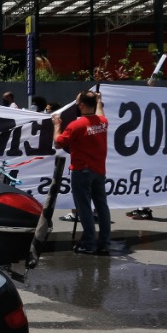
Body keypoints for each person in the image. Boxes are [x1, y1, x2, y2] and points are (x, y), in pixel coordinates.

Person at [53, 91, 111, 255]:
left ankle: (88, 243)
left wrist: (57, 125)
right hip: (99, 170)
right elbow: (99, 112)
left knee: (83, 208)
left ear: (82, 105)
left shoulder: (76, 125)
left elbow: (58, 143)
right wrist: (99, 101)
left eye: (78, 103)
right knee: (102, 207)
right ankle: (104, 243)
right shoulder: (103, 122)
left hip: (82, 171)